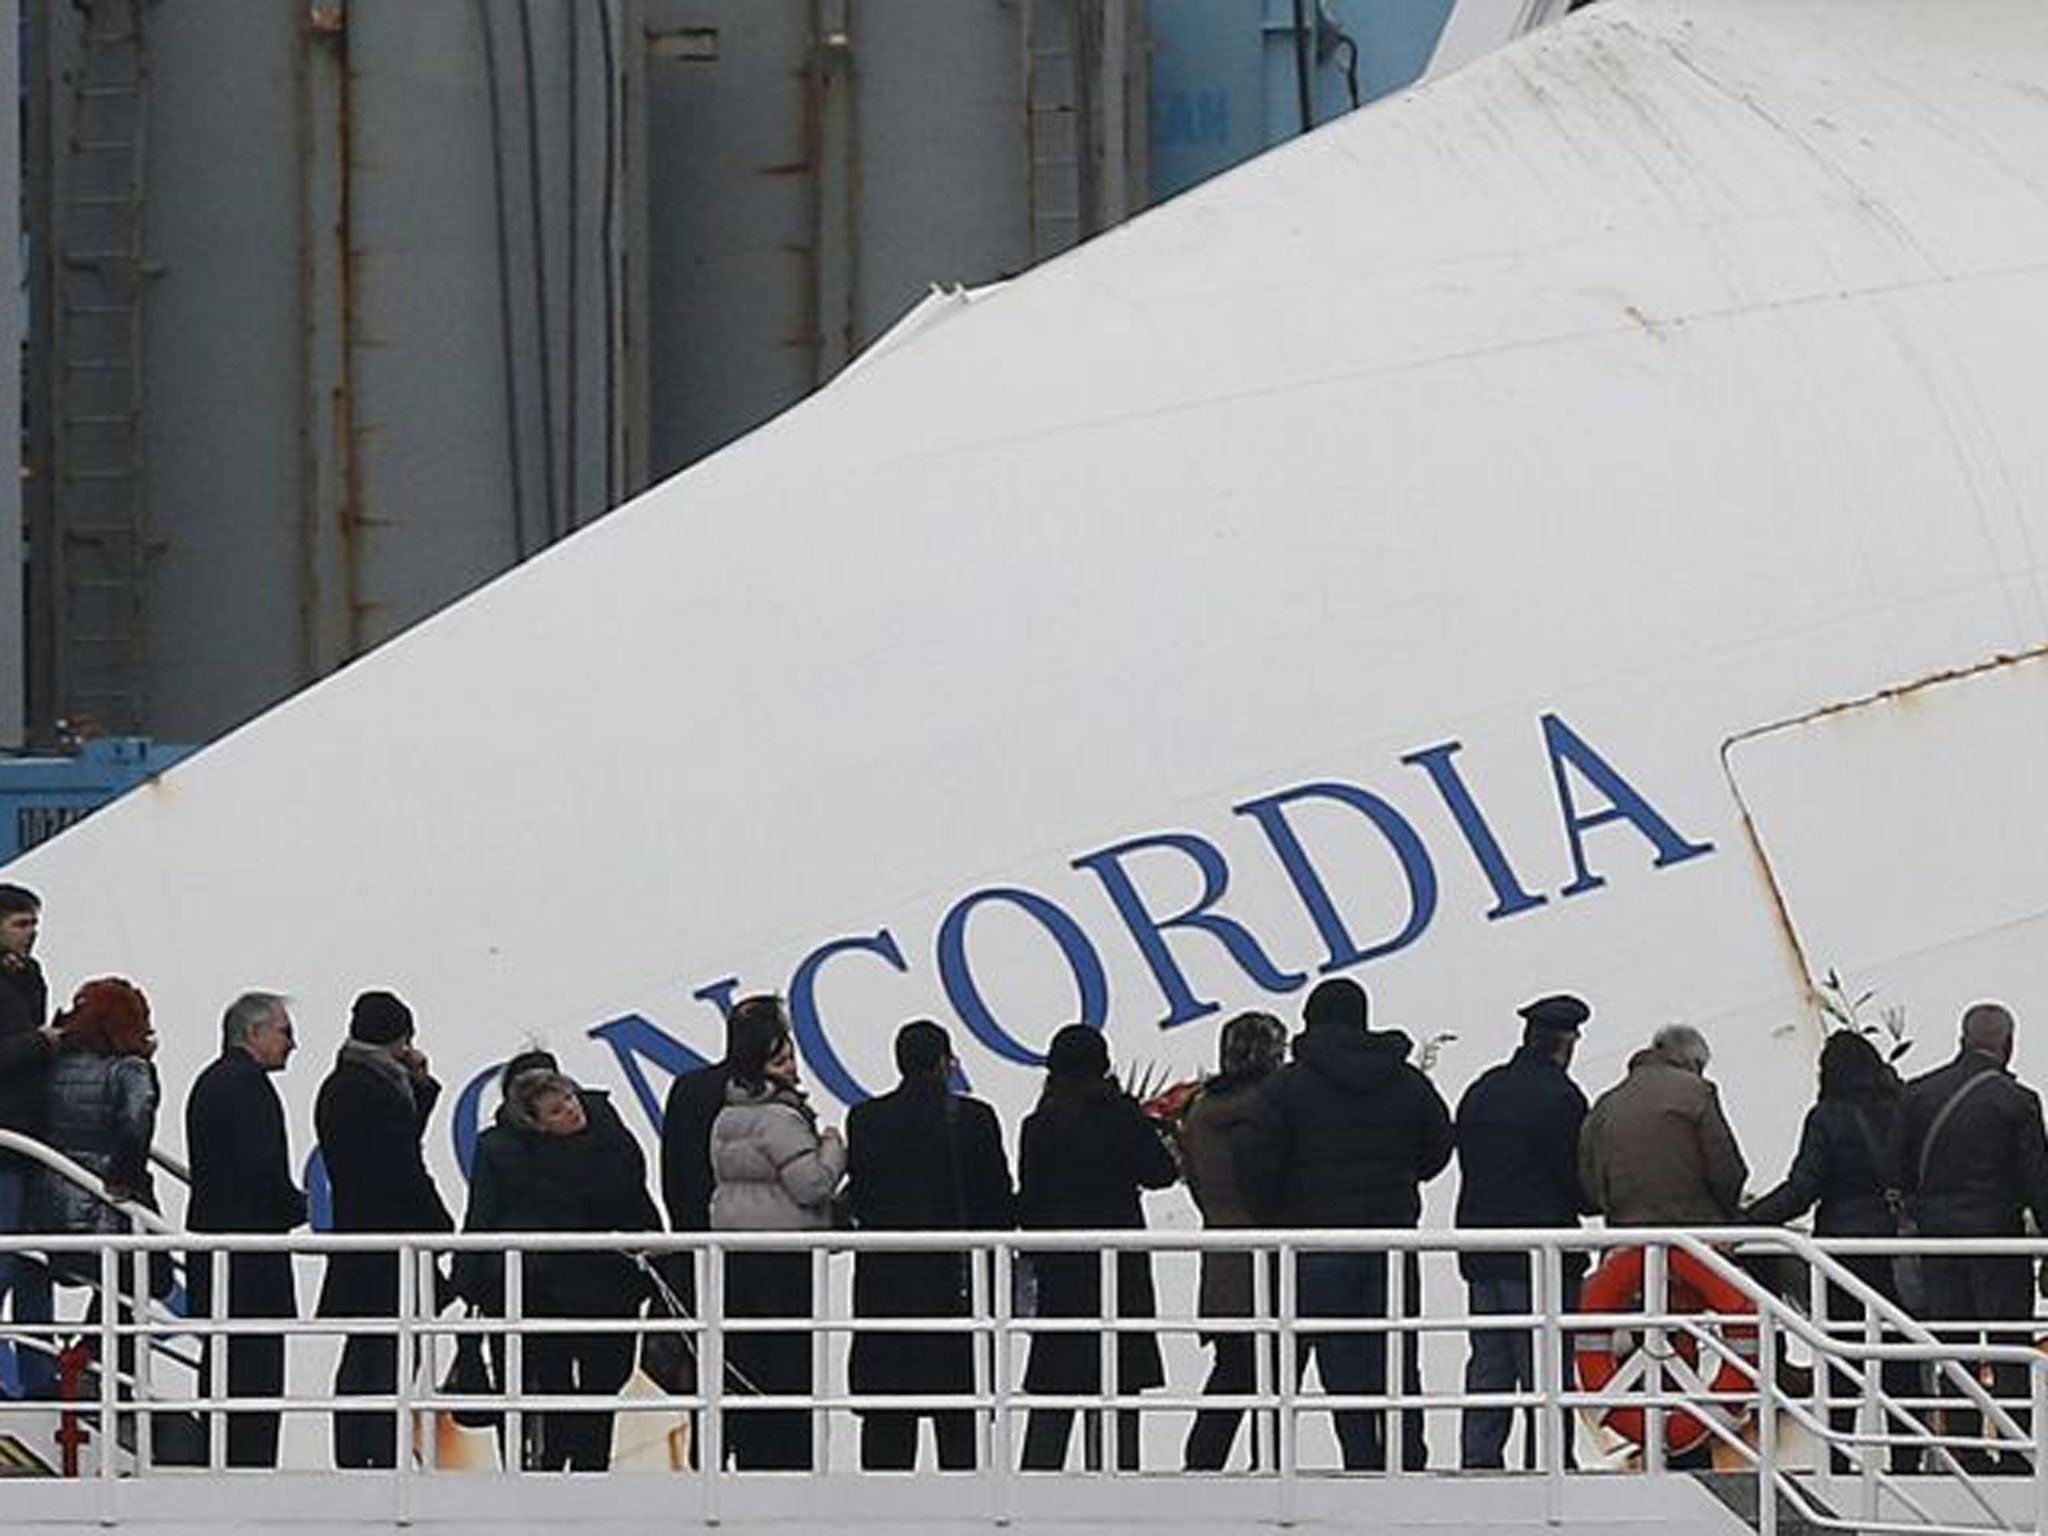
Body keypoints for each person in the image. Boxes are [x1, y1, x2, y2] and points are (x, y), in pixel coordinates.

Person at [1235, 977, 1452, 1472]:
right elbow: (1437, 1147)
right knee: (1397, 1351)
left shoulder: (1286, 1086)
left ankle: (1361, 1460)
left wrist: (1275, 1216)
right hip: (1391, 1237)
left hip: (1316, 1243)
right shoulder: (1405, 1080)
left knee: (1340, 1360)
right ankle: (1408, 1455)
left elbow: (1251, 1157)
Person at [455, 1056, 659, 1472]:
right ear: (536, 1122)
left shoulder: (600, 1140)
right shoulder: (597, 1144)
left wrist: (468, 1281)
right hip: (568, 1290)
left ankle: (569, 1471)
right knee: (573, 1390)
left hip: (583, 1289)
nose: (571, 1107)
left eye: (569, 1097)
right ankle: (574, 1472)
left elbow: (483, 1219)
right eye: (557, 1107)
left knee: (576, 1389)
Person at [845, 1018, 1014, 1471]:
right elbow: (998, 1205)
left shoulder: (865, 1120)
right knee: (959, 1430)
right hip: (955, 1291)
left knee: (886, 1432)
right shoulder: (975, 1119)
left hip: (886, 1292)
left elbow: (861, 1197)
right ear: (944, 1063)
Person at [1746, 1029, 1918, 1472]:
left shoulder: (1826, 1117)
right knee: (1903, 1360)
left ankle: (1840, 1461)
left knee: (1843, 1360)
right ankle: (1907, 1460)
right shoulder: (1903, 1109)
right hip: (1899, 1250)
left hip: (1843, 1253)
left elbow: (1802, 1189)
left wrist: (1744, 1223)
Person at [1891, 1002, 2048, 1474]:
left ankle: (1966, 1452)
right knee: (2009, 1351)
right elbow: (2038, 1183)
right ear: (2008, 1043)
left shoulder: (1918, 1094)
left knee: (1953, 1348)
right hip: (1998, 1244)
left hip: (1939, 1244)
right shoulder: (2017, 1101)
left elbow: (1896, 1171)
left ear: (1961, 1039)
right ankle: (2017, 1452)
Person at [1018, 1023, 1178, 1473]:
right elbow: (1161, 1173)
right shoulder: (1122, 1118)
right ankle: (1117, 1490)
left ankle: (1031, 1494)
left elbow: (1029, 1205)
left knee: (1053, 1392)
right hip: (1119, 1271)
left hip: (1062, 1273)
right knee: (1118, 1390)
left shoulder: (1039, 1125)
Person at [1453, 993, 1594, 1472]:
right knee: (1545, 1368)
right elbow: (1573, 1178)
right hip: (1541, 1254)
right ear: (1565, 1043)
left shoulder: (1483, 1089)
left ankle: (1479, 1462)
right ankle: (1551, 1463)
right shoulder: (1562, 1098)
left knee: (1489, 1365)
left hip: (1481, 1250)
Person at [314, 990, 454, 1469]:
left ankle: (362, 1453)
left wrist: (419, 1086)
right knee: (386, 1357)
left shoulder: (344, 1084)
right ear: (400, 1036)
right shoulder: (370, 1087)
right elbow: (401, 1163)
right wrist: (439, 1223)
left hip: (363, 1237)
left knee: (369, 1352)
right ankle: (374, 1453)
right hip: (389, 1238)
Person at [708, 1000, 845, 1471]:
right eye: (782, 1059)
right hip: (783, 1259)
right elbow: (812, 1185)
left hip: (739, 1257)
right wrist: (833, 1146)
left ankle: (751, 1463)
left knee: (749, 1370)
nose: (792, 1067)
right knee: (789, 1372)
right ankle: (789, 1468)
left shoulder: (726, 1117)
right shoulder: (782, 1119)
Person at [186, 991, 307, 1467]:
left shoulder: (212, 1082)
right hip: (249, 1262)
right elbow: (262, 1169)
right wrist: (297, 1206)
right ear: (254, 1033)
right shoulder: (249, 1086)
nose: (293, 1044)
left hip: (218, 1254)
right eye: (285, 1032)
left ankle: (222, 1461)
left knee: (222, 1372)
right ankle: (247, 1472)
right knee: (254, 1379)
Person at [657, 994, 778, 1466]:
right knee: (765, 1375)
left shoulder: (689, 1089)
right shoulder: (770, 1098)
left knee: (711, 1374)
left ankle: (706, 1462)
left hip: (701, 1249)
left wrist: (691, 1233)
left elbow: (674, 1176)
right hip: (762, 1261)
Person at [1179, 1009, 1288, 1472]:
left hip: (1223, 1255)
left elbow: (1199, 1184)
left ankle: (1202, 1465)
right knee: (1279, 1378)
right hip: (1271, 1253)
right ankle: (1272, 1469)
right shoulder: (1271, 1109)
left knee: (1231, 1369)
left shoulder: (1200, 1113)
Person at [1578, 1023, 1747, 1227]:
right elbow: (1727, 1170)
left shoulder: (1606, 1104)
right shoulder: (1696, 1091)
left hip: (1626, 1238)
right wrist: (1731, 1216)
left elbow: (1590, 1184)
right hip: (1693, 1234)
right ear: (1693, 1062)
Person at [0, 883, 63, 1399]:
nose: (32, 934)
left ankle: (40, 1378)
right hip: (6, 1147)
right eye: (21, 924)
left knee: (33, 1263)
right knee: (6, 1260)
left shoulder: (30, 977)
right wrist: (40, 1042)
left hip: (30, 1138)